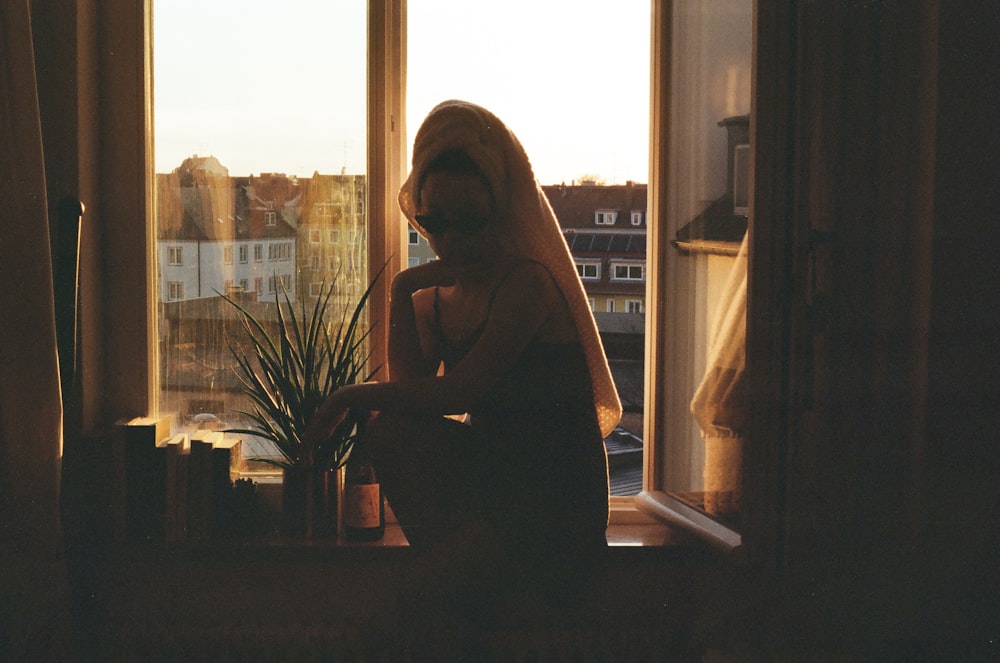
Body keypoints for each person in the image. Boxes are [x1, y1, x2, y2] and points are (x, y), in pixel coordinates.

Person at [304, 99, 621, 607]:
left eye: (469, 222)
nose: (451, 241)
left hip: (554, 503)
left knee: (397, 615)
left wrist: (348, 394)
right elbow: (408, 401)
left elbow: (461, 390)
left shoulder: (528, 284)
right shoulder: (439, 297)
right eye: (437, 222)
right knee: (389, 430)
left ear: (498, 209)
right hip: (497, 495)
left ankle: (471, 585)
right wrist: (404, 286)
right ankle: (470, 585)